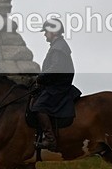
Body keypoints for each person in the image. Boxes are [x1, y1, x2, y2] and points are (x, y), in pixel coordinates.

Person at [32, 18, 79, 150]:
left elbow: (56, 68)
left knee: (39, 107)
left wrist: (39, 77)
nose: (44, 34)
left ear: (53, 31)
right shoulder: (57, 46)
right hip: (54, 85)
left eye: (46, 31)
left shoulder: (58, 47)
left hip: (57, 87)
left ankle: (50, 139)